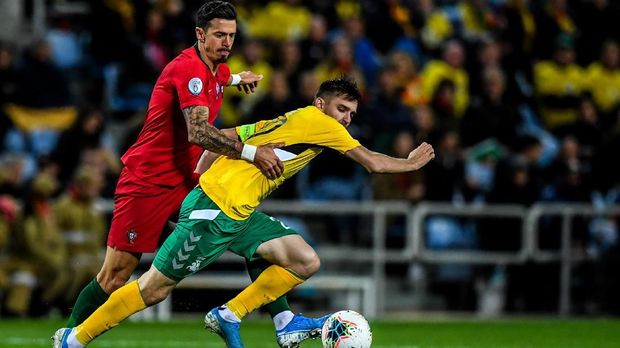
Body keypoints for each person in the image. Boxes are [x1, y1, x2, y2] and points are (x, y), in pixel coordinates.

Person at [53, 77, 435, 348]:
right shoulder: (321, 124)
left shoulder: (290, 119)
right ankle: (75, 339)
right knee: (154, 288)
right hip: (217, 211)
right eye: (342, 109)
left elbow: (232, 134)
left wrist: (202, 175)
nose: (346, 119)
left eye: (351, 113)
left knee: (302, 259)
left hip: (237, 210)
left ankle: (247, 317)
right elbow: (372, 163)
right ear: (322, 105)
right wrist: (410, 164)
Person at [63, 0, 286, 334]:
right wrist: (253, 153)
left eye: (232, 36)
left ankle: (284, 322)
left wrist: (240, 78)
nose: (227, 42)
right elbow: (198, 131)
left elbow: (221, 79)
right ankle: (67, 338)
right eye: (219, 35)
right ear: (199, 34)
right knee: (115, 275)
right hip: (147, 181)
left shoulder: (217, 68)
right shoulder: (188, 70)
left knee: (244, 229)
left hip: (187, 180)